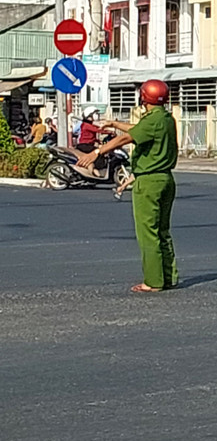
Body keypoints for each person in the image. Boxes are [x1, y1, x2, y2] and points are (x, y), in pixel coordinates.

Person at [77, 79, 179, 293]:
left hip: (149, 182)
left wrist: (96, 152)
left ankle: (153, 281)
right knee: (162, 231)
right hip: (165, 179)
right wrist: (114, 124)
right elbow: (138, 129)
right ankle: (168, 276)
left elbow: (127, 138)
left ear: (143, 98)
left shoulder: (152, 120)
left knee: (147, 232)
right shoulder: (166, 118)